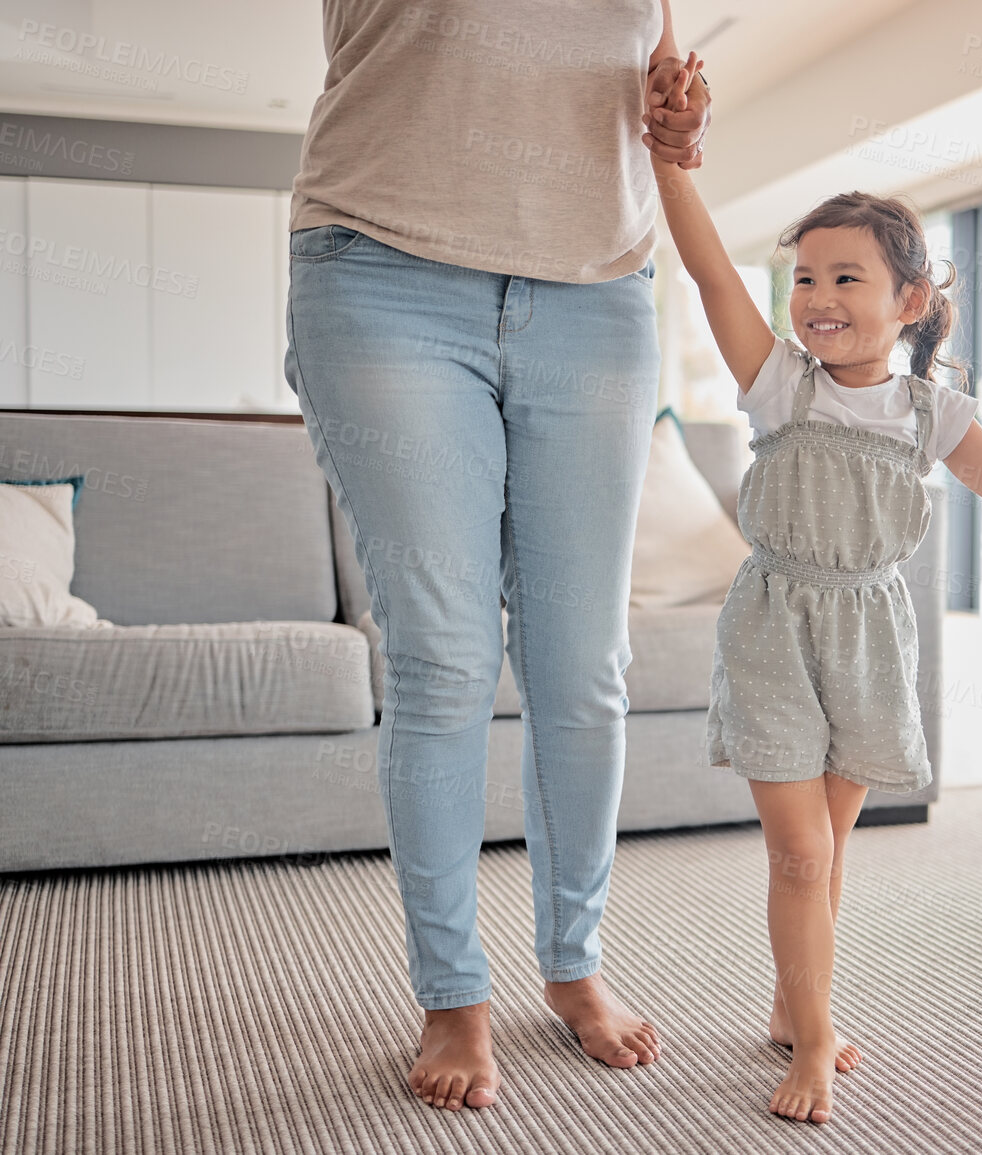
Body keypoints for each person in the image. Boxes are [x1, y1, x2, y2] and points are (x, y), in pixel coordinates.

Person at [646, 55, 982, 1124]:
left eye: (846, 278)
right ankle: (818, 1039)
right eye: (808, 278)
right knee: (798, 849)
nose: (817, 299)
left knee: (828, 853)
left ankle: (795, 1003)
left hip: (872, 633)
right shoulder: (780, 382)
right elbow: (709, 279)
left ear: (910, 300)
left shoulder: (934, 412)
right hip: (778, 625)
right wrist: (672, 163)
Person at [283, 2, 710, 1112]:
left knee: (585, 670)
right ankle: (453, 993)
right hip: (382, 268)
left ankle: (573, 966)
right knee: (445, 658)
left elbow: (649, 81)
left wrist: (677, 114)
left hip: (596, 288)